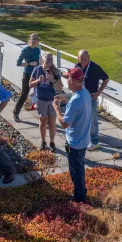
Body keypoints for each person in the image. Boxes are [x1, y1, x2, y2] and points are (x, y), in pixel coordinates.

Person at [53, 68, 92, 203]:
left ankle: (79, 198)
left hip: (75, 143)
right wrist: (66, 100)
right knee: (79, 167)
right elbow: (77, 105)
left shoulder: (76, 100)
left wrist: (57, 109)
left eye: (68, 78)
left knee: (76, 172)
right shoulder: (85, 93)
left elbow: (65, 123)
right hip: (83, 140)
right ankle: (81, 192)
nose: (66, 80)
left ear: (74, 81)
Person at [75, 50, 110, 150]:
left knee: (93, 120)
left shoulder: (95, 67)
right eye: (81, 59)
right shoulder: (77, 66)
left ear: (89, 57)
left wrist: (99, 92)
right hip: (79, 96)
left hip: (91, 97)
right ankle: (84, 137)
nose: (83, 61)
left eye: (85, 59)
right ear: (78, 58)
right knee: (80, 118)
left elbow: (106, 79)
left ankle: (94, 141)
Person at [29, 53, 63, 151]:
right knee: (42, 121)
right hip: (41, 100)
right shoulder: (37, 69)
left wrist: (53, 80)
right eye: (47, 59)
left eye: (51, 60)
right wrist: (38, 81)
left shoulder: (55, 71)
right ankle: (43, 141)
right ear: (42, 60)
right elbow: (30, 85)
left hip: (53, 100)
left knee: (52, 123)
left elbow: (60, 88)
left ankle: (52, 142)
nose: (49, 62)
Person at [13, 33, 41, 122]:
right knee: (25, 94)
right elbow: (18, 63)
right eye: (32, 39)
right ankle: (16, 113)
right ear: (29, 40)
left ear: (38, 41)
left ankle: (42, 114)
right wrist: (29, 63)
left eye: (35, 39)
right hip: (27, 73)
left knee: (39, 93)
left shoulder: (38, 50)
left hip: (36, 73)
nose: (34, 41)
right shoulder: (25, 50)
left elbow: (38, 62)